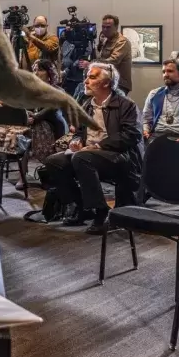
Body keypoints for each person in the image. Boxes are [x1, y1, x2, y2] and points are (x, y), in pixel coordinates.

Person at [43, 63, 142, 234]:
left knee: (81, 158)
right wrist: (76, 141)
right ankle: (80, 206)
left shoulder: (126, 105)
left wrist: (99, 145)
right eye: (87, 76)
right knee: (54, 161)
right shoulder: (87, 104)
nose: (86, 81)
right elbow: (80, 132)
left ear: (106, 83)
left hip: (119, 155)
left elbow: (132, 135)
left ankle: (100, 211)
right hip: (88, 154)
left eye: (92, 77)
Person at [86, 14, 132, 95]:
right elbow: (100, 57)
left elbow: (113, 61)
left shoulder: (122, 42)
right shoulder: (105, 40)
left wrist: (91, 64)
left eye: (108, 27)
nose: (105, 29)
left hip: (119, 83)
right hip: (107, 80)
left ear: (116, 27)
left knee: (113, 106)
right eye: (103, 27)